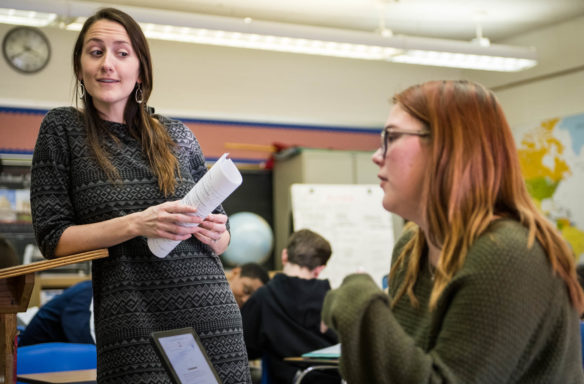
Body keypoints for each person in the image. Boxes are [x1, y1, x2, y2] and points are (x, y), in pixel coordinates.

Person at [30, 8, 250, 384]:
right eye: (95, 52)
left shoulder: (176, 134)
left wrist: (217, 231)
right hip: (132, 319)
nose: (107, 64)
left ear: (141, 69)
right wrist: (137, 223)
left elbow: (223, 237)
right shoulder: (62, 129)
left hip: (211, 315)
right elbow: (53, 240)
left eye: (122, 52)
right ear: (80, 65)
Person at [321, 80, 584, 383]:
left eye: (391, 138)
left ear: (448, 148)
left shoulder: (507, 252)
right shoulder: (413, 246)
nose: (377, 155)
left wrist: (356, 300)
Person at [241, 229, 340, 384]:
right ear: (319, 269)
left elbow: (244, 348)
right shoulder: (334, 300)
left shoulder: (263, 298)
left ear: (284, 255)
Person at [19, 280, 94, 346]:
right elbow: (79, 335)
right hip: (34, 351)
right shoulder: (87, 292)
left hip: (51, 349)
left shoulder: (87, 289)